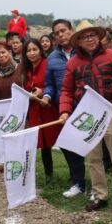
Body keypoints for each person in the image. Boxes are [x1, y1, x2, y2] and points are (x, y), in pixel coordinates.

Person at [58, 21, 112, 213]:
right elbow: (66, 90)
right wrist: (64, 111)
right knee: (93, 158)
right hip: (88, 118)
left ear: (99, 37)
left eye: (92, 35)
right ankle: (100, 195)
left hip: (111, 114)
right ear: (78, 41)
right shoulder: (72, 64)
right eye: (84, 37)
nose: (89, 39)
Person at [43, 19, 86, 198]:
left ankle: (100, 184)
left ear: (71, 31)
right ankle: (78, 182)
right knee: (69, 147)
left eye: (64, 31)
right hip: (65, 108)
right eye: (57, 33)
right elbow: (49, 84)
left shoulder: (83, 52)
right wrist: (46, 95)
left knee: (92, 146)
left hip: (86, 106)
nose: (61, 35)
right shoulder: (52, 58)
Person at [22, 39, 60, 177]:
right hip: (35, 111)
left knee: (56, 139)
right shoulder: (25, 69)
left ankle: (75, 176)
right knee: (43, 145)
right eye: (28, 50)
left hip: (49, 109)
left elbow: (54, 84)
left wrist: (42, 91)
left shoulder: (47, 65)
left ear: (40, 50)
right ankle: (48, 175)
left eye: (35, 49)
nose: (32, 53)